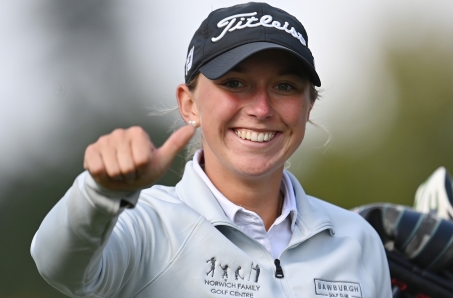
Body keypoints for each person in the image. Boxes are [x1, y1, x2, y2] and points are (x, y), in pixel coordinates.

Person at [31, 2, 391, 297]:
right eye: (235, 83)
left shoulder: (356, 239)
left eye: (284, 86)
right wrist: (100, 192)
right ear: (188, 104)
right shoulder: (149, 225)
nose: (262, 109)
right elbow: (57, 264)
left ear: (308, 106)